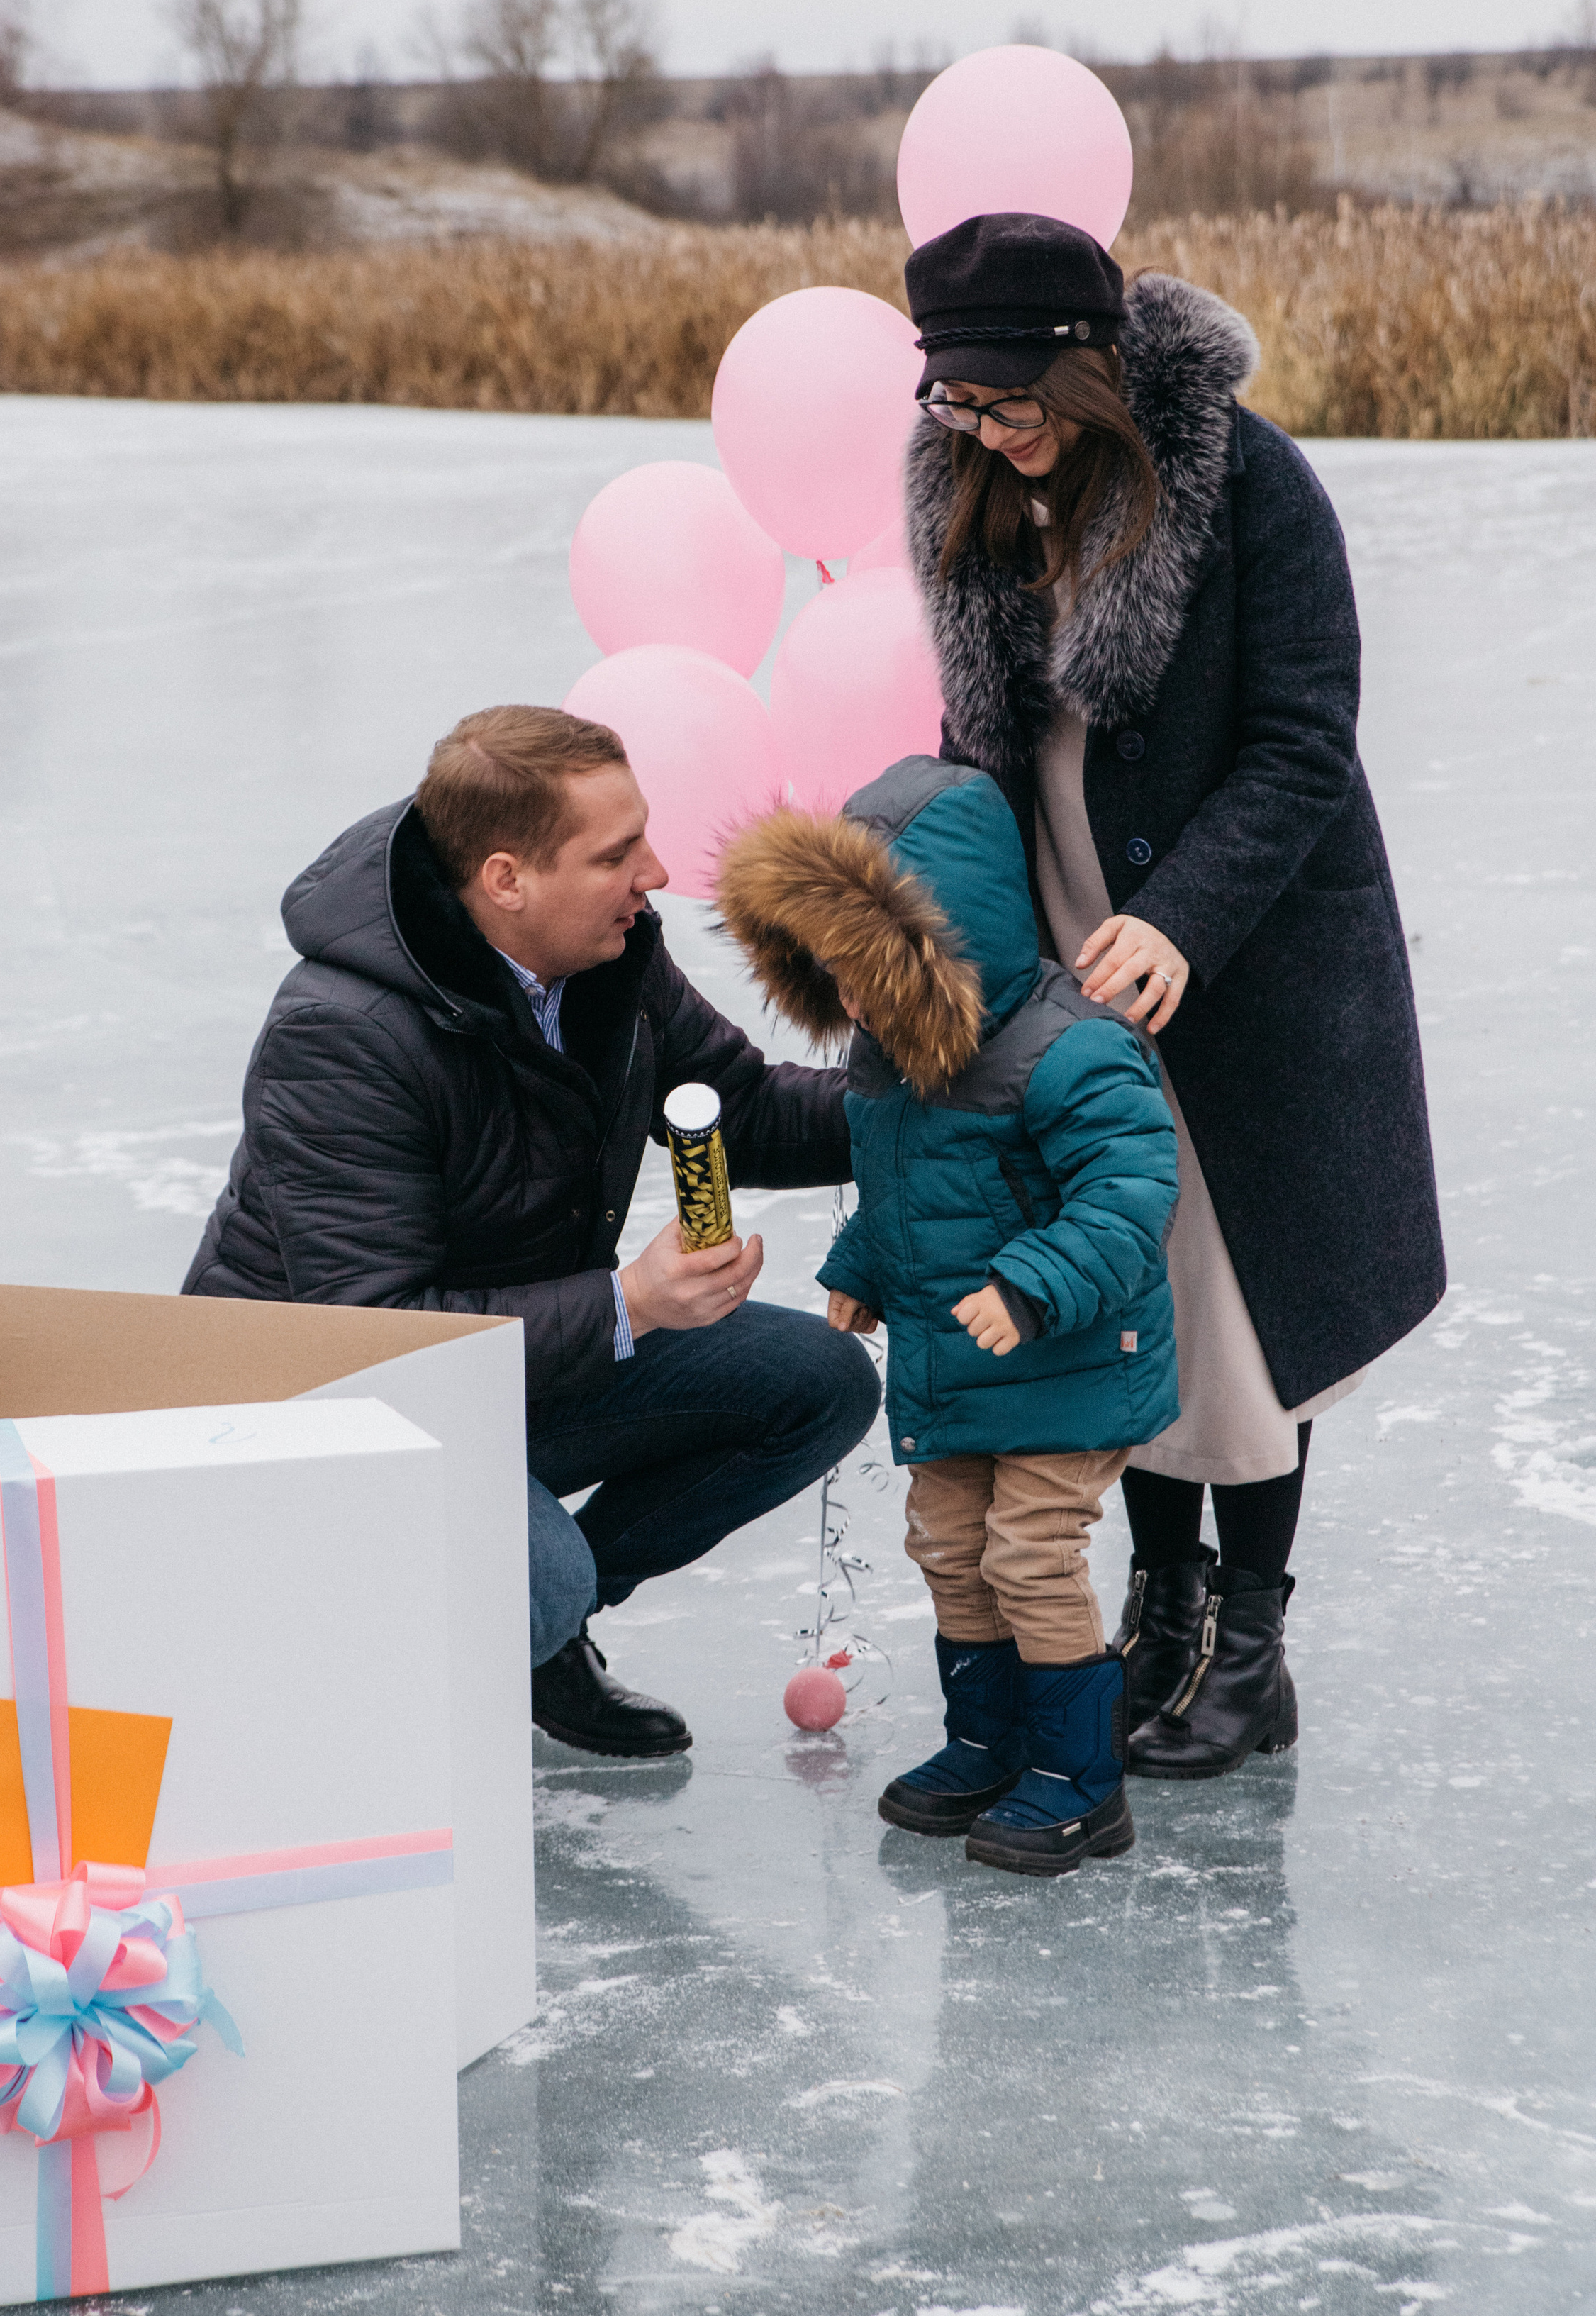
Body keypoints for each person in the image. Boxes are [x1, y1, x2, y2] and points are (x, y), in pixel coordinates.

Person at [898, 211, 1446, 1778]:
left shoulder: (1246, 478)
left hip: (1241, 939)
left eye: (1009, 406)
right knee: (1117, 1263)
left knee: (1237, 1293)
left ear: (1089, 373)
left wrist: (1179, 920)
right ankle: (1159, 1606)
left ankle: (1251, 1644)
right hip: (1063, 911)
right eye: (956, 405)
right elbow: (977, 732)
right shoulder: (965, 482)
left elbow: (1300, 738)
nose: (987, 437)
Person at [184, 704, 879, 1758]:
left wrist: (939, 1104)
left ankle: (530, 1625)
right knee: (538, 1582)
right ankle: (433, 1626)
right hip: (331, 1411)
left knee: (818, 1381)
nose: (655, 872)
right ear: (507, 879)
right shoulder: (341, 1034)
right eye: (615, 854)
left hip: (512, 1366)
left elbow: (744, 1108)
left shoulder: (613, 955)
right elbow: (372, 1335)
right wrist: (628, 1305)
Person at [717, 755, 1180, 1875]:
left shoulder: (1070, 1050)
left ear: (947, 945)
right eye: (840, 976)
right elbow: (908, 1200)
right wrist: (861, 1264)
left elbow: (1131, 1197)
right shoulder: (891, 1069)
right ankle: (987, 1743)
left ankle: (1080, 1780)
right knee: (948, 1549)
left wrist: (1030, 1285)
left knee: (1028, 1556)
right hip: (958, 1364)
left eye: (873, 973)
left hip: (1070, 1363)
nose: (857, 1002)